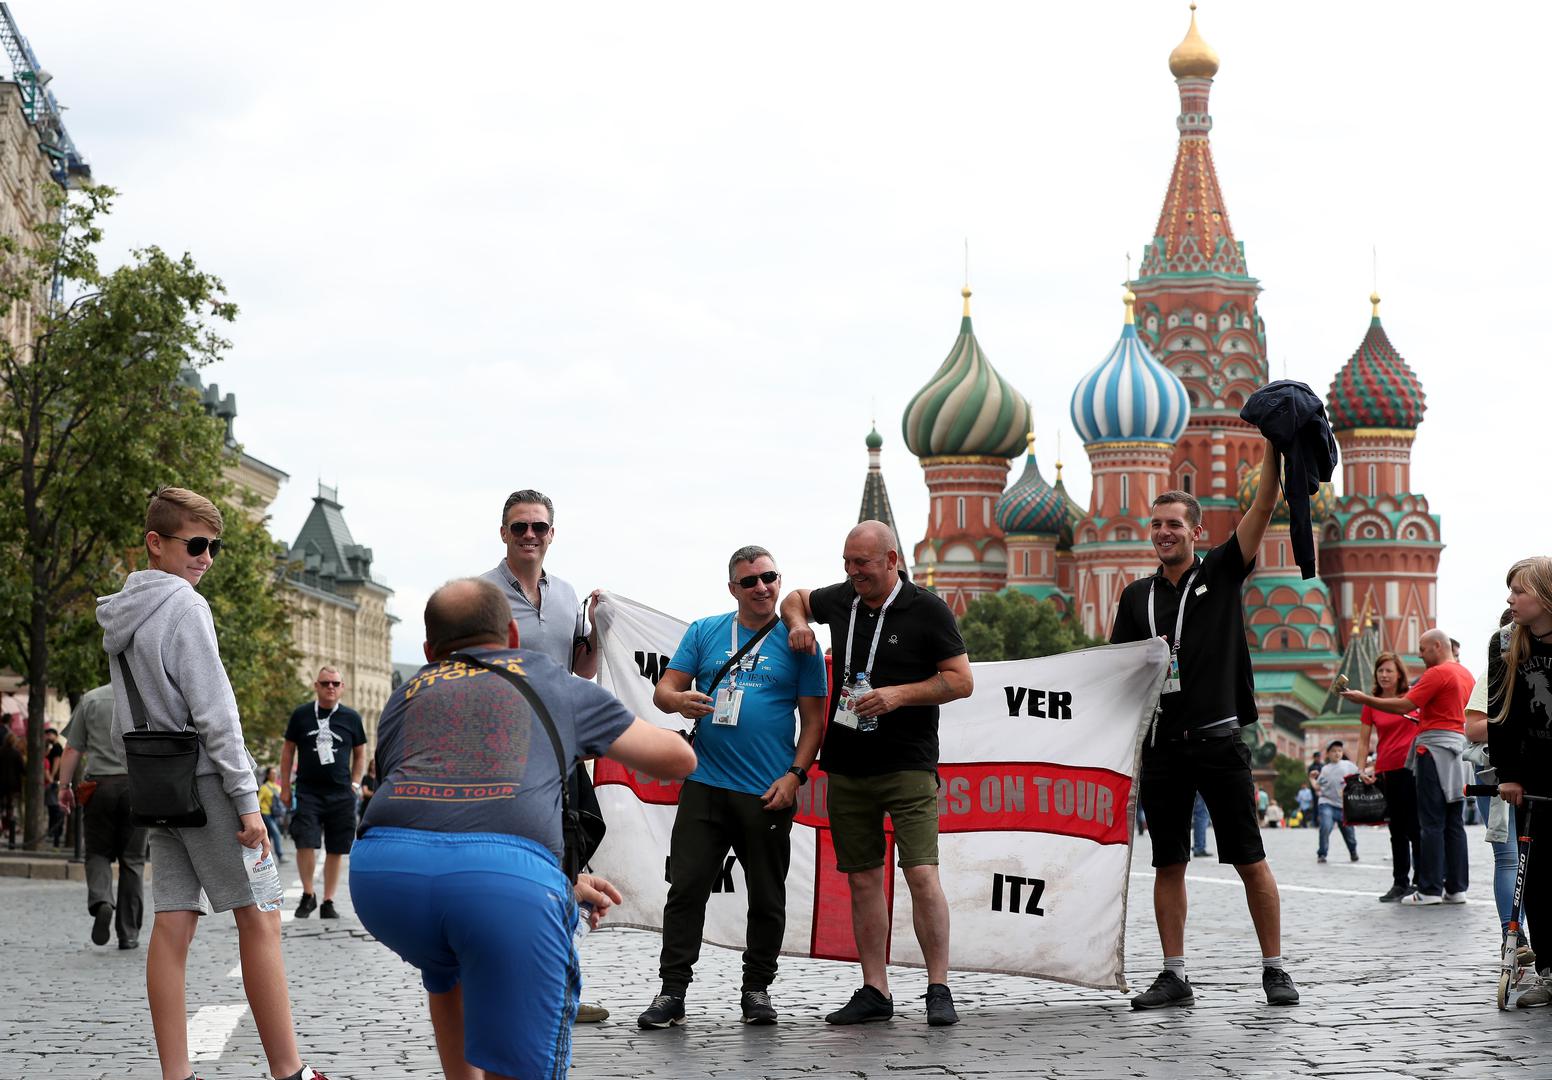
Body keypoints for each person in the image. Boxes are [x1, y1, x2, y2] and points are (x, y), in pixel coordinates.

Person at [351, 578, 696, 1079]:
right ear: (513, 635)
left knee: (445, 970)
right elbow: (676, 760)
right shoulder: (551, 681)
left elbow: (428, 805)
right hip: (502, 882)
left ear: (429, 651)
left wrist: (561, 878)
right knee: (520, 1062)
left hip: (384, 880)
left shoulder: (406, 692)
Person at [96, 487, 327, 1080]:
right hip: (208, 785)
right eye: (196, 544)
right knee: (262, 917)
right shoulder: (184, 607)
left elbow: (125, 719)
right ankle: (289, 1072)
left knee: (173, 924)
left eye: (213, 547)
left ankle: (177, 1075)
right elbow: (217, 714)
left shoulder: (122, 614)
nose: (206, 558)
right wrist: (247, 803)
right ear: (156, 543)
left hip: (158, 787)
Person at [1109, 455, 1301, 1009]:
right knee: (1168, 862)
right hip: (1162, 747)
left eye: (1174, 524)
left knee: (1248, 857)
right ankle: (1174, 975)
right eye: (1156, 524)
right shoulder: (1136, 597)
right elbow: (1117, 670)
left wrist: (1273, 452)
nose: (1163, 533)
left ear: (1197, 532)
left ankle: (1275, 968)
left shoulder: (1219, 572)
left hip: (1218, 739)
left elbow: (1261, 509)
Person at [780, 520, 973, 1027]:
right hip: (846, 766)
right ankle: (875, 990)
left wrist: (898, 695)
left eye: (862, 563)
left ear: (891, 560)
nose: (852, 572)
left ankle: (938, 988)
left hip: (907, 764)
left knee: (921, 875)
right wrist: (799, 624)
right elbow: (794, 598)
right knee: (864, 880)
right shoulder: (844, 597)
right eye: (847, 562)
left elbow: (961, 681)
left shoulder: (927, 609)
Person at [636, 545, 828, 1029]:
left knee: (767, 897)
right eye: (750, 581)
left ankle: (757, 989)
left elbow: (814, 722)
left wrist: (795, 776)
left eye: (769, 577)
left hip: (767, 792)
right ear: (732, 589)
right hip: (705, 783)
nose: (762, 587)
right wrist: (680, 701)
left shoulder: (800, 641)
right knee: (686, 889)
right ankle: (672, 991)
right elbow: (663, 692)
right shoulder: (705, 630)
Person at [480, 487, 610, 1024]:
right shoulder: (482, 594)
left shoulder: (567, 595)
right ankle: (511, 987)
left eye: (538, 526)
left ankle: (559, 991)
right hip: (505, 754)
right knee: (517, 868)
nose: (529, 535)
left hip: (561, 748)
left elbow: (582, 669)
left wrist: (597, 627)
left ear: (552, 534)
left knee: (568, 858)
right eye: (519, 527)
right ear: (503, 533)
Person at [1343, 628, 1473, 905]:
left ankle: (1429, 889)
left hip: (1433, 750)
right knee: (1454, 821)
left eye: (1423, 649)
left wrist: (1364, 698)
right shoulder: (1466, 674)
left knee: (1431, 822)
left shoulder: (1437, 673)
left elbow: (1405, 704)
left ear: (1437, 646)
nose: (1420, 655)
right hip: (1458, 751)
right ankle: (1456, 887)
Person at [1486, 557, 1552, 1007]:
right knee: (1541, 878)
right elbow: (1500, 713)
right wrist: (1508, 774)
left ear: (1545, 595)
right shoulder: (1507, 641)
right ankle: (1548, 969)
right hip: (1533, 774)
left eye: (1519, 591)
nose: (1510, 599)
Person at [57, 684, 149, 949]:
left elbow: (72, 749)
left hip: (99, 787)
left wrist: (64, 787)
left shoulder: (91, 699)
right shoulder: (146, 696)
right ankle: (128, 933)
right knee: (133, 861)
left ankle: (102, 901)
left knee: (97, 853)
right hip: (137, 787)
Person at [280, 668, 366, 919]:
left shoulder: (351, 717)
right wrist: (285, 787)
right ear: (316, 686)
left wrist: (355, 784)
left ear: (342, 687)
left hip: (341, 792)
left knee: (336, 847)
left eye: (335, 683)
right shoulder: (301, 715)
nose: (331, 687)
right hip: (308, 791)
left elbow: (360, 753)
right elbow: (288, 751)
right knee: (304, 841)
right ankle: (308, 894)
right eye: (326, 683)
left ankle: (328, 900)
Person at [1354, 653, 1421, 901]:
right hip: (1386, 770)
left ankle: (1421, 881)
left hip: (1412, 768)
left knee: (1415, 827)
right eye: (1380, 670)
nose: (1384, 675)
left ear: (1399, 674)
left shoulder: (1411, 698)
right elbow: (1363, 741)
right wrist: (1361, 768)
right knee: (1396, 828)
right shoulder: (1371, 703)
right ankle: (1400, 882)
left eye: (1389, 671)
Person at [1313, 741, 1359, 864]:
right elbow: (1318, 787)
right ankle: (1322, 853)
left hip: (1344, 806)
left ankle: (1353, 851)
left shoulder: (1348, 766)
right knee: (1325, 827)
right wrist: (1312, 778)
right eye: (1333, 751)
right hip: (1327, 803)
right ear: (1328, 754)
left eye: (1339, 751)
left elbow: (1360, 774)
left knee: (1349, 833)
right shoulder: (1325, 769)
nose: (1337, 753)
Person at [258, 767, 285, 864]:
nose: (275, 775)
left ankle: (265, 857)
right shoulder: (264, 787)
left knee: (268, 836)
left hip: (275, 815)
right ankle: (280, 855)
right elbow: (258, 801)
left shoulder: (278, 787)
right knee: (276, 834)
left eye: (276, 773)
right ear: (268, 775)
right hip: (266, 814)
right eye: (273, 773)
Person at [43, 726, 64, 847]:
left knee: (54, 807)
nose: (47, 737)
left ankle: (55, 831)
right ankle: (54, 830)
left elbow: (57, 761)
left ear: (55, 735)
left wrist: (51, 776)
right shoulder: (54, 747)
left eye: (49, 734)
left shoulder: (56, 747)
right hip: (54, 780)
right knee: (53, 807)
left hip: (54, 780)